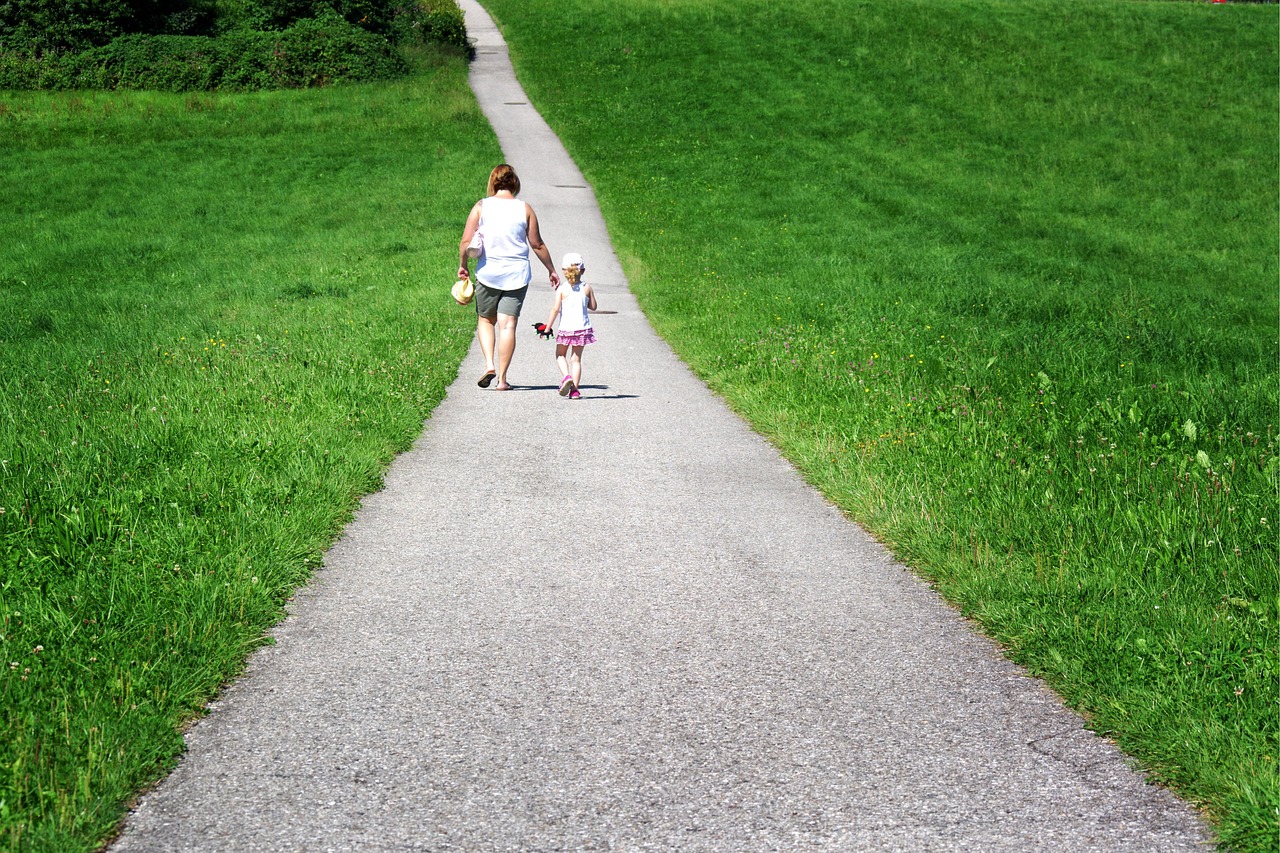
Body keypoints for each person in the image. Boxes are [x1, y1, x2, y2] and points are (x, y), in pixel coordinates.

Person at [458, 164, 559, 390]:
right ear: (514, 183)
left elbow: (466, 242)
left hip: (488, 274)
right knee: (507, 326)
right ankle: (502, 380)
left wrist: (463, 265)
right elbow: (537, 244)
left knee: (486, 320)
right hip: (516, 276)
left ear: (493, 182)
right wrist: (551, 269)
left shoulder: (481, 207)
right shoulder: (525, 209)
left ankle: (489, 365)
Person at [543, 252, 597, 399]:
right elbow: (593, 307)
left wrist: (547, 328)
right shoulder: (587, 287)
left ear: (564, 271)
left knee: (560, 354)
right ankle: (575, 391)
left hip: (566, 329)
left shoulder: (562, 289)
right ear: (582, 271)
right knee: (576, 360)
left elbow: (555, 309)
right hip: (582, 329)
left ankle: (567, 376)